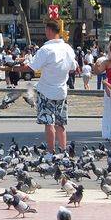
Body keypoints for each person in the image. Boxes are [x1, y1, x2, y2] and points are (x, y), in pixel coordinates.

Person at [23, 19, 77, 151]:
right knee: (60, 123)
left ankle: (51, 151)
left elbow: (32, 67)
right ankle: (63, 150)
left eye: (46, 29)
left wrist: (12, 69)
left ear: (49, 30)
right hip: (61, 90)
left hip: (46, 90)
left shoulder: (46, 49)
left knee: (48, 123)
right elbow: (73, 67)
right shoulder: (68, 48)